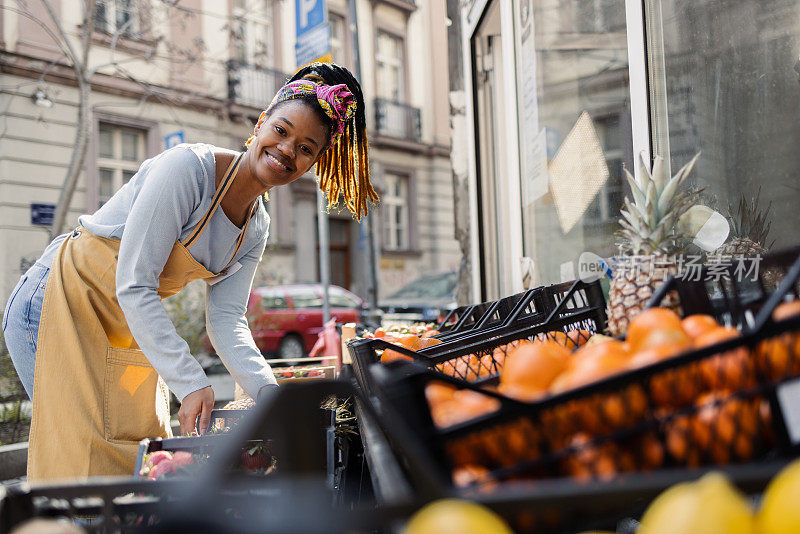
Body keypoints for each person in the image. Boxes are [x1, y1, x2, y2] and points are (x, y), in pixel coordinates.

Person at [1, 63, 378, 482]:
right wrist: (191, 380)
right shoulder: (188, 170)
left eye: (307, 148)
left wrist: (273, 400)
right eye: (282, 130)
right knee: (78, 463)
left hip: (124, 325)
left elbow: (226, 320)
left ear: (312, 164)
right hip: (55, 302)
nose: (288, 150)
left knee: (139, 463)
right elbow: (135, 283)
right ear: (261, 123)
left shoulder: (257, 227)